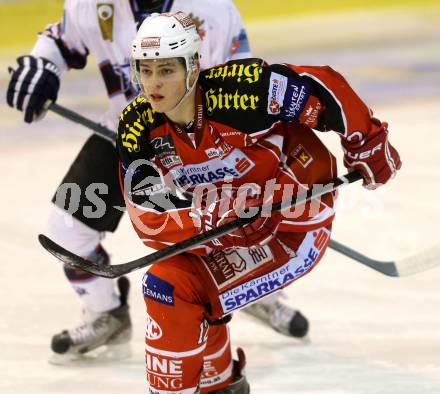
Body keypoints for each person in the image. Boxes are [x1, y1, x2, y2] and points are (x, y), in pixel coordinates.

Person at [6, 0, 307, 363]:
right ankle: (106, 313)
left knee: (228, 221)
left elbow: (242, 83)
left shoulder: (210, 8)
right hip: (126, 132)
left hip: (199, 134)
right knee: (66, 232)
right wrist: (42, 65)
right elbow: (61, 40)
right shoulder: (91, 4)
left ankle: (254, 290)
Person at [117, 11, 401, 393]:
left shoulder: (244, 90)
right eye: (145, 70)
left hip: (291, 228)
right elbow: (147, 216)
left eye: (166, 70)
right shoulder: (137, 126)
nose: (154, 83)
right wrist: (208, 218)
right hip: (226, 233)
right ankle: (220, 385)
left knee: (171, 290)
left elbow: (324, 87)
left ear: (193, 67)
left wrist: (365, 140)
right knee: (176, 282)